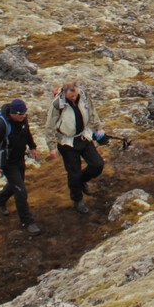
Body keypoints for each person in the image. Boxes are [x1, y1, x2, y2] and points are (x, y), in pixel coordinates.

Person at [0, 98, 42, 234]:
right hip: (8, 163)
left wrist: (32, 147)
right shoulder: (1, 126)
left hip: (19, 158)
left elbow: (26, 132)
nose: (24, 117)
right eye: (21, 115)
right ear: (13, 114)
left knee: (16, 185)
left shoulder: (22, 119)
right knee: (21, 192)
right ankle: (27, 222)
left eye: (24, 114)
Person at [46, 83, 107, 213]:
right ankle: (77, 200)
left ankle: (82, 180)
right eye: (71, 96)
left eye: (75, 94)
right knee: (74, 173)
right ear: (64, 92)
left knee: (97, 165)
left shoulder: (84, 96)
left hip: (84, 136)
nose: (74, 98)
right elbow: (50, 126)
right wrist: (51, 146)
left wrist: (98, 127)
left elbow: (92, 111)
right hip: (67, 142)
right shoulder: (57, 104)